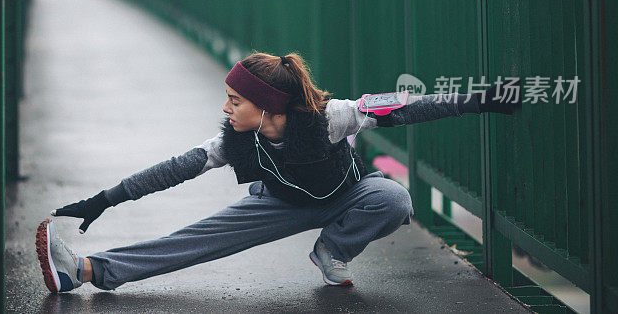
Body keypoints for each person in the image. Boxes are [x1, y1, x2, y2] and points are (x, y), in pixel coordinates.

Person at [35, 52, 521, 292]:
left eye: (235, 100)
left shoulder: (335, 117)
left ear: (267, 107)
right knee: (195, 238)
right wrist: (103, 199)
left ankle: (332, 250)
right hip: (279, 205)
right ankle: (84, 271)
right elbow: (170, 172)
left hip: (348, 195)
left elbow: (411, 106)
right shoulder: (232, 141)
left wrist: (482, 100)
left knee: (394, 199)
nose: (225, 107)